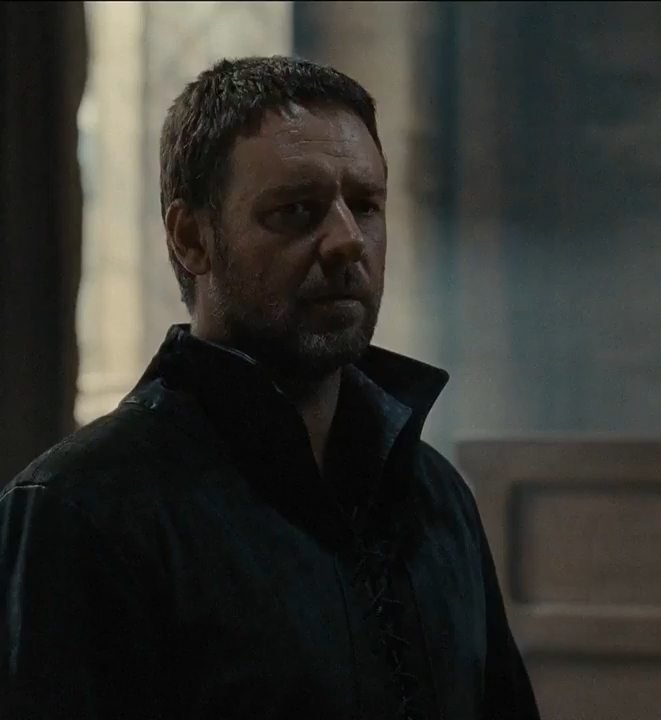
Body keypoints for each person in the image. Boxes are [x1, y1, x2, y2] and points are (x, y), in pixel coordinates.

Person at [0, 56, 541, 720]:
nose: (347, 241)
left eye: (365, 206)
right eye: (296, 211)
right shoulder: (82, 511)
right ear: (192, 238)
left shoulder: (434, 496)